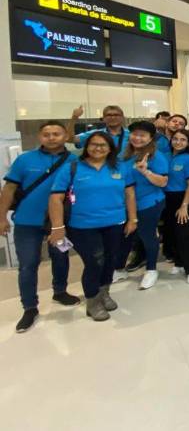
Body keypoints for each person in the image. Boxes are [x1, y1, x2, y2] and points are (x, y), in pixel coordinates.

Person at [0, 121, 80, 333]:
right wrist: (1, 218)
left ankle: (60, 291)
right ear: (39, 137)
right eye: (47, 134)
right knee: (28, 264)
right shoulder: (25, 160)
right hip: (27, 222)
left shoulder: (74, 160)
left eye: (56, 133)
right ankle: (29, 307)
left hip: (59, 224)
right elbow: (8, 190)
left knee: (61, 257)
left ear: (65, 136)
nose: (51, 137)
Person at [49, 132, 137, 322]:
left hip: (115, 222)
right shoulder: (72, 168)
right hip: (82, 226)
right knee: (94, 261)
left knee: (111, 259)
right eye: (94, 145)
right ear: (86, 147)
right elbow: (56, 198)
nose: (98, 148)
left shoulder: (120, 167)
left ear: (110, 148)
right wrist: (57, 227)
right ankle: (92, 300)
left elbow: (129, 194)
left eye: (103, 145)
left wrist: (133, 219)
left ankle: (104, 292)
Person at [111, 121, 168, 290]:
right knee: (124, 236)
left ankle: (151, 269)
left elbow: (163, 182)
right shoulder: (123, 155)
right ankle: (120, 269)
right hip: (124, 204)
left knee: (146, 235)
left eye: (142, 135)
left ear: (151, 138)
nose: (137, 138)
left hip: (148, 203)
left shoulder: (156, 156)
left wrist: (146, 171)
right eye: (134, 134)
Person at [160, 130, 189, 284]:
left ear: (188, 143)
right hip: (166, 199)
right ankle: (179, 262)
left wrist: (184, 206)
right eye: (175, 139)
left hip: (183, 198)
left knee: (184, 234)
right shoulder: (164, 156)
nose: (178, 142)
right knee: (171, 233)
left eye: (183, 139)